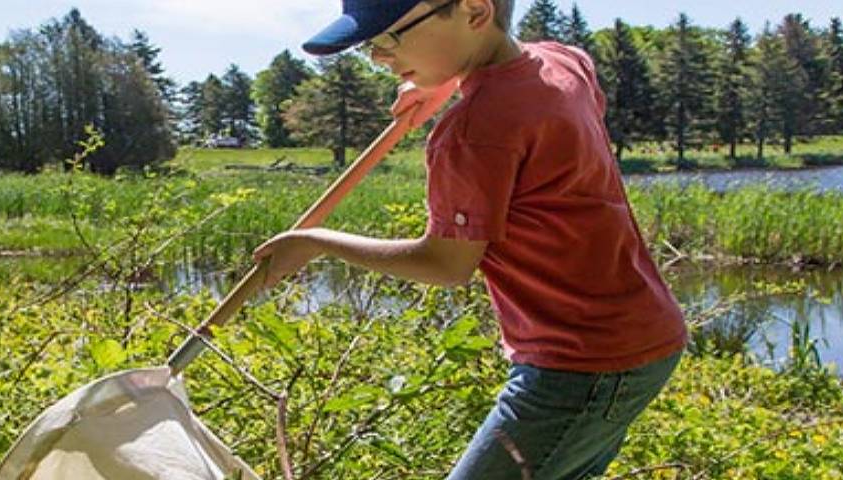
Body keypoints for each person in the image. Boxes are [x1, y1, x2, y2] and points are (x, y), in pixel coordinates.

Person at [252, 1, 687, 479]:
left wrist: (318, 242)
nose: (376, 57)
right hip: (644, 336)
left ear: (475, 10)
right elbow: (525, 76)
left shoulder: (473, 132)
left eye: (387, 39)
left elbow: (445, 263)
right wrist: (449, 83)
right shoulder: (562, 63)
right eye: (367, 47)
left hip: (581, 363)